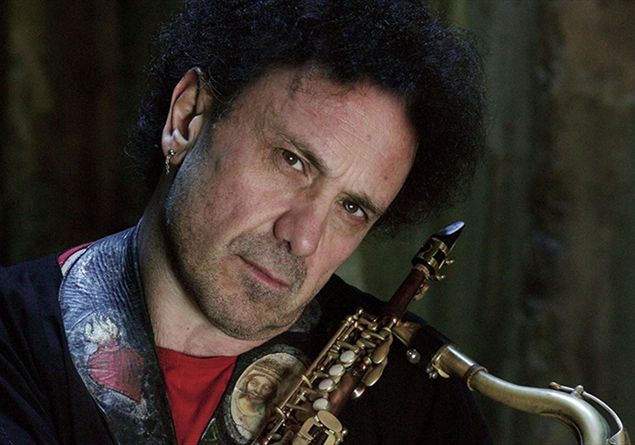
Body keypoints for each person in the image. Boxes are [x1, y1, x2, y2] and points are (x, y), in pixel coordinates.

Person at [0, 1, 490, 444]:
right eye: (292, 161)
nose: (303, 237)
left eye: (352, 208)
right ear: (187, 119)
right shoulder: (13, 339)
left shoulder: (420, 394)